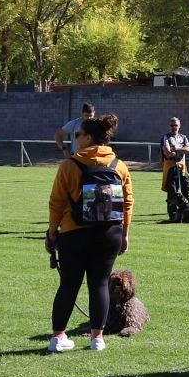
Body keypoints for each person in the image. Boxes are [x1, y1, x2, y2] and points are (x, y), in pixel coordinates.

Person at [45, 113, 133, 353]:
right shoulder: (119, 165)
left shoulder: (70, 165)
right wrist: (125, 233)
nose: (76, 139)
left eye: (78, 135)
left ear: (89, 138)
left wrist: (52, 232)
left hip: (74, 233)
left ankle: (58, 336)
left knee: (69, 285)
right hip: (109, 233)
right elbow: (127, 203)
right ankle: (97, 338)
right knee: (100, 284)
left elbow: (57, 203)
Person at [160, 116, 189, 211]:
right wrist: (182, 150)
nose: (173, 127)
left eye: (175, 125)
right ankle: (173, 215)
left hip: (182, 167)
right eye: (172, 125)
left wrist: (176, 149)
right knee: (172, 192)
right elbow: (168, 153)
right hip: (171, 168)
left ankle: (188, 211)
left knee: (186, 190)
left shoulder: (183, 137)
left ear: (179, 126)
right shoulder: (166, 137)